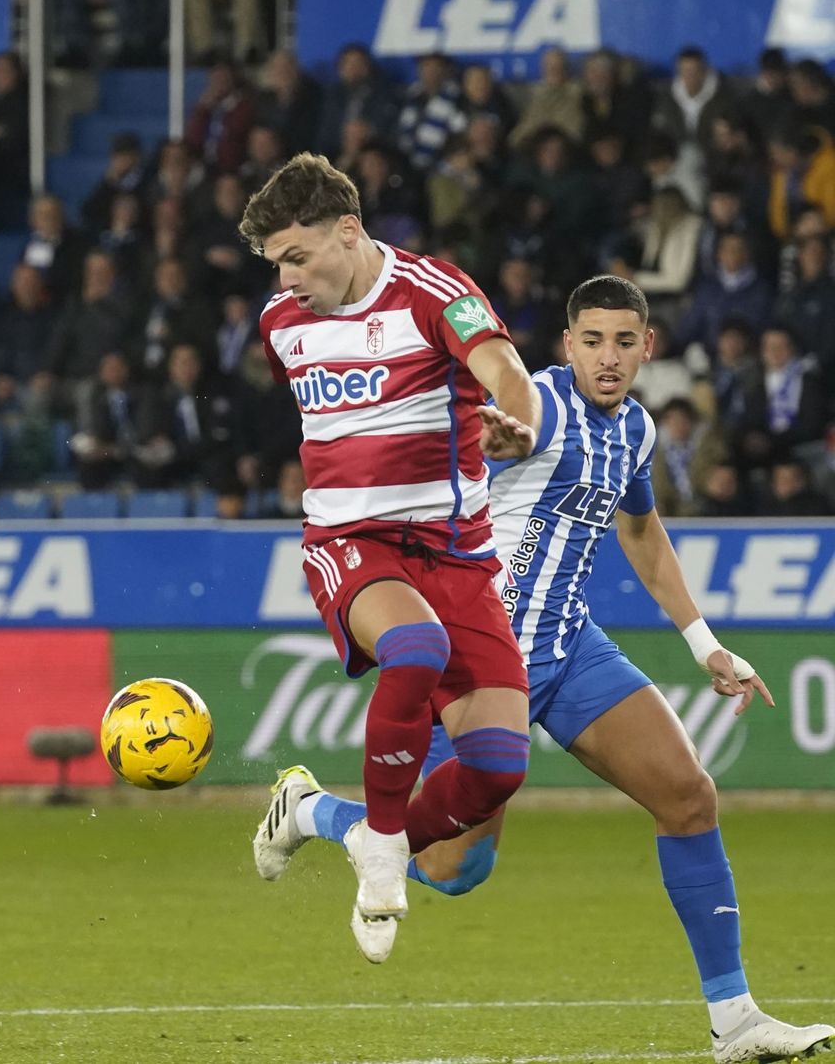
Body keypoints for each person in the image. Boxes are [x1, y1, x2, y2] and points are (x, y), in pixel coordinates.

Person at [267, 275, 834, 1064]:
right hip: (480, 662)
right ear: (568, 345)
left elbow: (642, 533)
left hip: (570, 649)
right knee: (454, 869)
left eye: (624, 342)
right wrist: (486, 444)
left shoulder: (635, 430)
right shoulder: (533, 404)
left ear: (647, 347)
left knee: (689, 796)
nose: (609, 358)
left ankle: (735, 1022)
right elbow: (476, 437)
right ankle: (309, 810)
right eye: (592, 341)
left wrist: (704, 642)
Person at [239, 153, 541, 964]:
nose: (287, 281)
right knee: (415, 645)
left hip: (456, 554)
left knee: (496, 769)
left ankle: (324, 817)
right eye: (275, 264)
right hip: (349, 542)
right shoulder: (281, 323)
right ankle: (380, 854)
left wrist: (516, 427)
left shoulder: (435, 293)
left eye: (297, 257)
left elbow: (506, 372)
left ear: (348, 230)